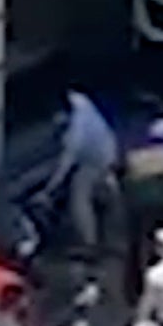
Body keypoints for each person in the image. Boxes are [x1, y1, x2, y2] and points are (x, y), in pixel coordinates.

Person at [47, 90, 120, 252]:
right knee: (104, 200)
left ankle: (88, 243)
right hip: (107, 155)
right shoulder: (87, 108)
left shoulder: (77, 126)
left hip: (93, 162)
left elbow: (69, 157)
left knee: (80, 200)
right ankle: (110, 237)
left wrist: (52, 185)